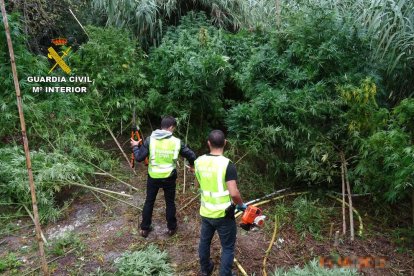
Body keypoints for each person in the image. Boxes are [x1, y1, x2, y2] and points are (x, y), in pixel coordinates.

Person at [131, 116, 196, 238]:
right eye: (174, 129)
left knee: (149, 202)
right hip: (169, 177)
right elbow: (191, 155)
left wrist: (135, 146)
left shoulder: (150, 140)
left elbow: (139, 157)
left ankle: (145, 229)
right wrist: (192, 166)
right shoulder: (176, 142)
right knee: (170, 202)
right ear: (171, 127)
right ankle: (171, 228)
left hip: (153, 176)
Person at [195, 130, 247, 276]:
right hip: (224, 214)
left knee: (204, 242)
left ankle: (205, 269)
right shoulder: (227, 164)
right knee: (228, 247)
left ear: (208, 144)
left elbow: (198, 185)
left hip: (206, 212)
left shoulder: (199, 162)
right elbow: (234, 193)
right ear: (225, 143)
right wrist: (241, 205)